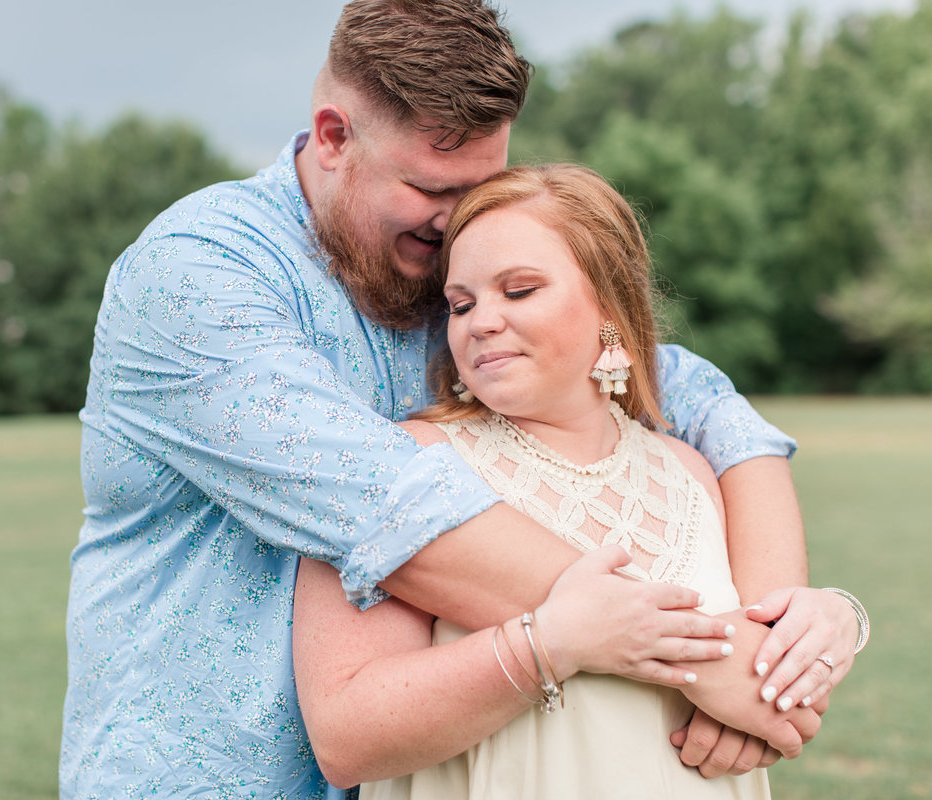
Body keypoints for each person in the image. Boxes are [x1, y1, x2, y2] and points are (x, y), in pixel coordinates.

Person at [59, 2, 861, 797]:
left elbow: (701, 403)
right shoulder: (196, 274)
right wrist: (709, 661)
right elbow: (386, 504)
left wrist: (782, 631)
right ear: (333, 137)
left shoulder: (445, 274)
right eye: (432, 187)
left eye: (483, 186)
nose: (458, 224)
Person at [292, 163, 869, 798]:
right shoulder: (403, 465)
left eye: (518, 291)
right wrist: (550, 645)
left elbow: (770, 678)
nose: (480, 321)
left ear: (609, 306)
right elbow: (346, 740)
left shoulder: (693, 474)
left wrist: (836, 618)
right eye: (460, 304)